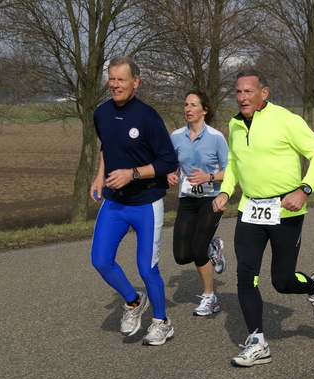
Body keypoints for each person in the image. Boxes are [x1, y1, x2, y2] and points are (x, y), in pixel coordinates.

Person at [212, 69, 314, 367]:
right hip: (250, 211)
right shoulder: (235, 125)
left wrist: (305, 189)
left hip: (286, 210)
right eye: (238, 92)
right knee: (245, 275)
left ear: (263, 93)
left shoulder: (287, 120)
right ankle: (257, 341)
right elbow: (233, 163)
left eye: (248, 92)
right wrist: (226, 191)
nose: (242, 98)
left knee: (282, 280)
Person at [90, 56, 179, 346]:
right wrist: (98, 177)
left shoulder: (148, 117)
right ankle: (132, 301)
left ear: (135, 83)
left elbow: (168, 161)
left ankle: (162, 322)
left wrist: (133, 174)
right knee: (101, 260)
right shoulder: (101, 113)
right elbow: (107, 147)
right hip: (114, 203)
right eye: (112, 79)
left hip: (146, 203)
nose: (115, 85)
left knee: (146, 268)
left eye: (121, 80)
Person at [167, 90, 229, 316]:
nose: (188, 109)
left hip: (211, 199)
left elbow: (231, 172)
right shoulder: (176, 137)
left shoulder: (215, 137)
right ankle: (214, 246)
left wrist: (208, 177)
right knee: (182, 256)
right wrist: (170, 175)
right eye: (185, 105)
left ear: (204, 110)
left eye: (193, 105)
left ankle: (209, 297)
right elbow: (172, 164)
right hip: (187, 199)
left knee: (198, 250)